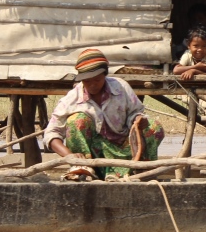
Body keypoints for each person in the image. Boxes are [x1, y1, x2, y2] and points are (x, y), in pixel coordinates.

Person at [43, 48, 164, 180]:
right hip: (94, 154)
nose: (92, 85)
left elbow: (135, 112)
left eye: (97, 80)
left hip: (126, 149)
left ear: (105, 75)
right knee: (77, 120)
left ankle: (141, 169)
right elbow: (51, 133)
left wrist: (138, 119)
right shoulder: (72, 99)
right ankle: (84, 170)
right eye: (87, 81)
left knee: (154, 127)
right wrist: (69, 156)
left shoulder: (120, 87)